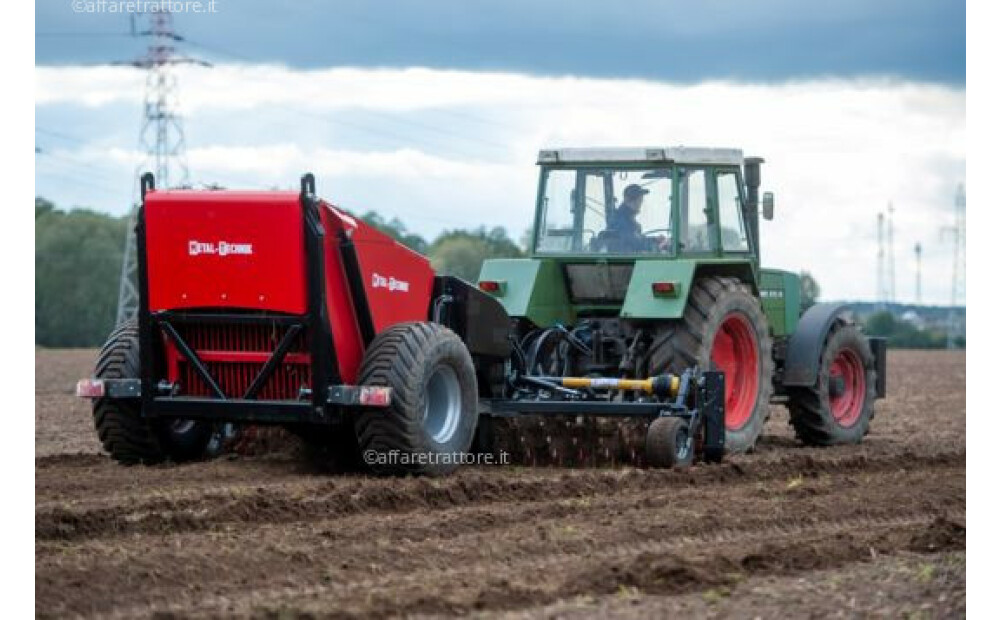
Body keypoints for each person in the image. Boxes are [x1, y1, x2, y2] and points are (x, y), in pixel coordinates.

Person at [602, 184, 669, 253]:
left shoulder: (627, 219)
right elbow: (633, 242)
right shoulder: (620, 220)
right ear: (628, 200)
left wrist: (655, 240)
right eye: (638, 200)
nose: (640, 204)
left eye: (641, 200)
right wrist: (655, 245)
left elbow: (637, 239)